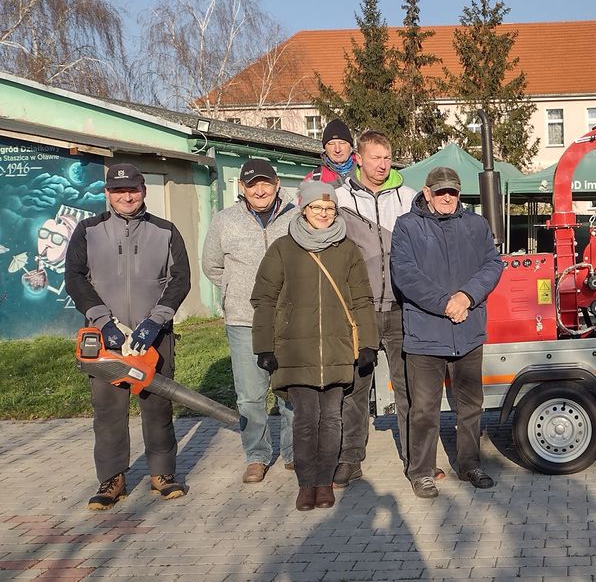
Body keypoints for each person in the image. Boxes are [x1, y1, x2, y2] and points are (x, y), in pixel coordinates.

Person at [64, 163, 191, 509]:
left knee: (157, 405)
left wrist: (155, 322)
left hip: (153, 335)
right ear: (107, 194)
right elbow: (75, 278)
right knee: (107, 409)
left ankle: (162, 473)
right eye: (119, 191)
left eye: (132, 189)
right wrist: (103, 322)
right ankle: (112, 478)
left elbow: (180, 279)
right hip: (106, 339)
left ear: (143, 191)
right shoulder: (87, 231)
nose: (127, 196)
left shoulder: (165, 231)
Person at [250, 181, 379, 511]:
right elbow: (264, 300)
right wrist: (264, 346)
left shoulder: (347, 249)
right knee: (305, 419)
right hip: (296, 351)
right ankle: (306, 483)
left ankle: (325, 481)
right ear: (303, 208)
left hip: (337, 349)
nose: (323, 214)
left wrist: (367, 344)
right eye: (317, 208)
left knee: (332, 420)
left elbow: (363, 299)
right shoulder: (283, 248)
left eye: (329, 209)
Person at [390, 166, 504, 499]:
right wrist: (445, 303)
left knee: (470, 406)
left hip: (467, 332)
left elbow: (492, 265)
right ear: (426, 193)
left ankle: (470, 464)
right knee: (424, 408)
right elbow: (405, 274)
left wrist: (467, 296)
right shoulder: (407, 227)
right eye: (440, 192)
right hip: (426, 333)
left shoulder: (476, 225)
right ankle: (421, 472)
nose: (447, 198)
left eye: (452, 192)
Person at [201, 158, 296, 484]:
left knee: (291, 390)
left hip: (289, 320)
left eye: (265, 183)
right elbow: (212, 266)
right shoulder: (224, 221)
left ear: (277, 185)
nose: (260, 189)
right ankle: (257, 455)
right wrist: (233, 291)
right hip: (244, 320)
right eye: (252, 184)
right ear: (242, 188)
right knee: (251, 396)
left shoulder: (295, 218)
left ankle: (294, 451)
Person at [335, 131, 415, 488]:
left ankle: (416, 460)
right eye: (375, 157)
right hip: (360, 310)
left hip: (400, 308)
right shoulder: (338, 199)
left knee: (407, 388)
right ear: (359, 159)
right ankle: (350, 459)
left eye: (387, 157)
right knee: (354, 390)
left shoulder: (409, 198)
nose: (382, 164)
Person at [303, 119, 358, 188]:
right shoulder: (313, 180)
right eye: (331, 144)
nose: (337, 149)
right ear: (325, 148)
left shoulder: (366, 172)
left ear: (351, 146)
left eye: (342, 143)